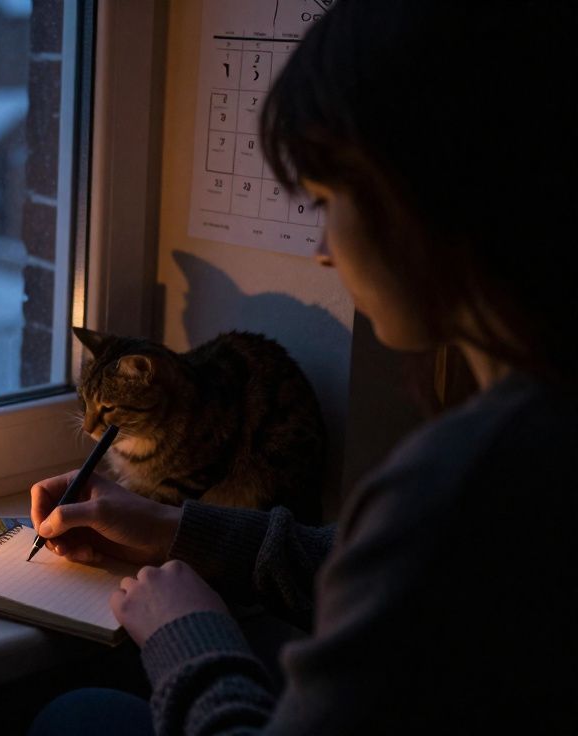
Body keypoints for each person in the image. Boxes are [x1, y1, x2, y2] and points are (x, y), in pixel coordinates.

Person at [29, 1, 576, 733]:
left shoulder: (463, 479)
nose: (321, 249)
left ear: (423, 195)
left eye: (324, 200)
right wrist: (170, 527)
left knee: (77, 716)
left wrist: (185, 631)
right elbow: (369, 569)